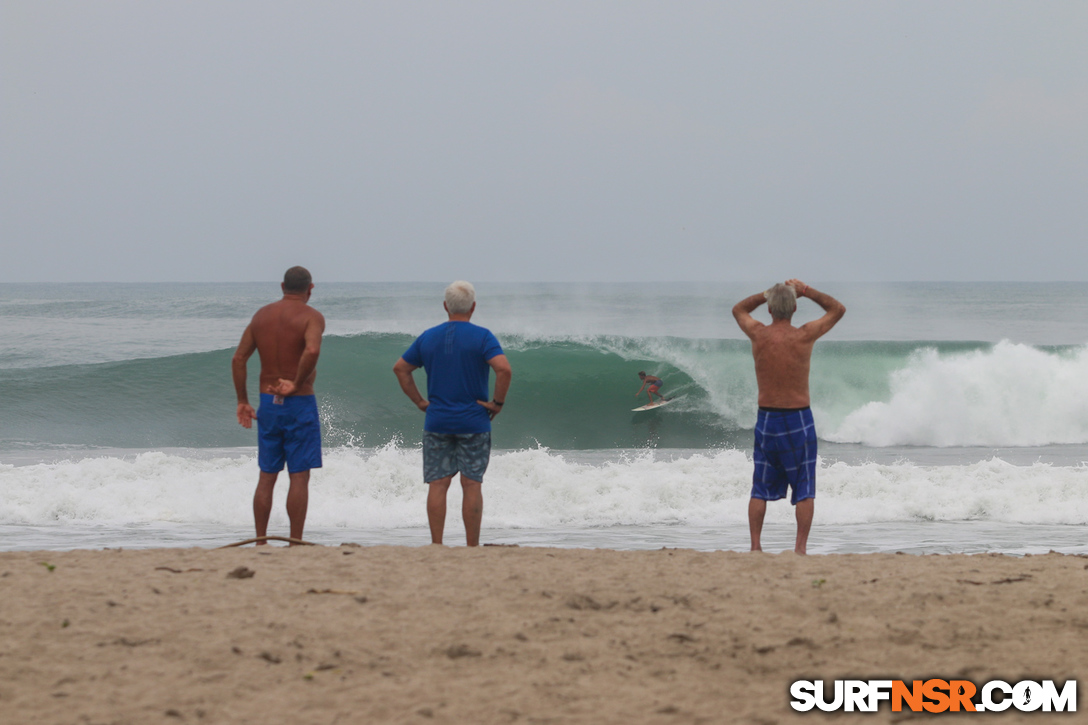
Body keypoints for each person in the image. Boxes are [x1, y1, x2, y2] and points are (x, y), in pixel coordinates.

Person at [393, 281, 512, 547]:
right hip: (474, 421)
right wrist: (497, 403)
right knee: (471, 485)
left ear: (446, 306)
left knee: (438, 484)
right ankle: (471, 546)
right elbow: (504, 369)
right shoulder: (483, 337)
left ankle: (437, 545)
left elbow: (400, 368)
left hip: (438, 421)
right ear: (473, 307)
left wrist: (420, 402)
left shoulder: (428, 337)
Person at [732, 279, 845, 555]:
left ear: (769, 309)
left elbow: (738, 309)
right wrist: (806, 291)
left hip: (767, 418)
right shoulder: (804, 335)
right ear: (795, 308)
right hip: (798, 418)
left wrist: (765, 294)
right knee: (804, 486)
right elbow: (837, 309)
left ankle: (756, 547)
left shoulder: (758, 334)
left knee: (760, 485)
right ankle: (800, 549)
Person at [231, 266, 325, 545]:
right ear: (310, 288)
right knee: (299, 476)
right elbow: (312, 350)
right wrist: (296, 383)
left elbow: (238, 359)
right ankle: (295, 542)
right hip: (299, 404)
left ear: (282, 286)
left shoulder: (261, 316)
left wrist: (242, 401)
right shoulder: (312, 317)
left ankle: (260, 541)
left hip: (268, 404)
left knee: (267, 475)